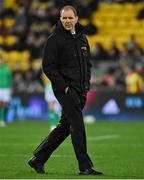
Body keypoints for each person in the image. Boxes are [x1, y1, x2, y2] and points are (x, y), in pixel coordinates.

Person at [28, 5, 103, 176]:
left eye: (70, 18)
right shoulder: (54, 39)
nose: (67, 21)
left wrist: (86, 83)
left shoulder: (83, 38)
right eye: (64, 18)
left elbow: (87, 64)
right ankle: (85, 166)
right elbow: (48, 66)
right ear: (60, 19)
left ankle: (38, 159)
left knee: (64, 126)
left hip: (81, 90)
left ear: (76, 19)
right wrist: (65, 87)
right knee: (77, 125)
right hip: (65, 91)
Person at [0, 50, 13, 127]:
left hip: (6, 88)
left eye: (1, 59)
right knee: (0, 104)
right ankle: (1, 120)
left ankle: (3, 119)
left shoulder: (7, 69)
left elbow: (10, 79)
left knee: (5, 104)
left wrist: (11, 89)